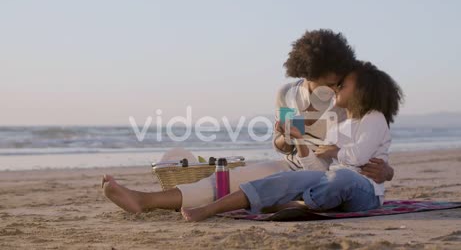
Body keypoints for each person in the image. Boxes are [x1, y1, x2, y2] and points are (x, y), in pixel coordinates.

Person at [101, 29, 394, 213]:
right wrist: (288, 136)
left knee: (258, 185)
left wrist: (387, 171)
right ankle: (143, 200)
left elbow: (370, 141)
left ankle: (147, 201)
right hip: (297, 164)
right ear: (307, 75)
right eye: (328, 82)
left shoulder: (346, 99)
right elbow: (281, 144)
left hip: (337, 176)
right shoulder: (287, 96)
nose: (334, 87)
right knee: (229, 180)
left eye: (338, 82)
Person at [181, 61, 404, 221]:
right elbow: (315, 165)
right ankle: (211, 209)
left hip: (364, 191)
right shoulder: (331, 122)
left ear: (362, 92)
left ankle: (294, 202)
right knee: (288, 178)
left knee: (341, 176)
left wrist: (334, 151)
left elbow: (359, 157)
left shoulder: (374, 118)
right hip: (330, 184)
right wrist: (298, 141)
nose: (336, 88)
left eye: (342, 85)